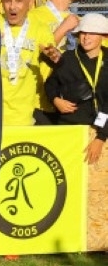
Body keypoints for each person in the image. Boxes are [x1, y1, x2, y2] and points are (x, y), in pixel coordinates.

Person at [45, 13, 108, 164]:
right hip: (70, 128)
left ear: (103, 36)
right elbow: (50, 84)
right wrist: (56, 100)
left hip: (100, 130)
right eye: (83, 33)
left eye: (92, 33)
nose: (86, 37)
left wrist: (100, 137)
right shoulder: (67, 58)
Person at [0, 0, 56, 126]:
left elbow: (53, 56)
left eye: (19, 1)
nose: (12, 7)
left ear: (30, 3)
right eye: (8, 1)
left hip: (27, 113)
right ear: (2, 2)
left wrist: (53, 56)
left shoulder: (40, 28)